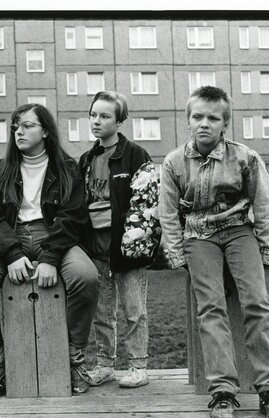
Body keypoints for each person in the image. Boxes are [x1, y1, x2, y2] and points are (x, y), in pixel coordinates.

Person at [158, 86, 269, 418]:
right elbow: (167, 212)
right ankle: (223, 392)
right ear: (187, 120)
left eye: (213, 118)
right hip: (198, 236)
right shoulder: (174, 162)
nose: (205, 124)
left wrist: (264, 245)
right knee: (211, 307)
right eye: (198, 117)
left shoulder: (244, 157)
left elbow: (263, 202)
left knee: (257, 302)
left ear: (225, 123)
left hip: (238, 231)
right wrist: (176, 251)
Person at [0, 103, 99, 396]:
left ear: (45, 131)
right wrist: (11, 254)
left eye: (27, 125)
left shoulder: (66, 167)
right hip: (11, 238)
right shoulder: (2, 169)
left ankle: (73, 360)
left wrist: (50, 257)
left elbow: (72, 216)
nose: (18, 131)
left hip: (55, 236)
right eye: (15, 126)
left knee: (86, 277)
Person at [78, 91, 161, 389]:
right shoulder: (86, 159)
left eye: (104, 116)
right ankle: (105, 365)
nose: (96, 121)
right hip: (95, 248)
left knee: (133, 310)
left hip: (127, 247)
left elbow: (146, 202)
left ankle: (139, 366)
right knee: (102, 311)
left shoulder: (136, 155)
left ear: (119, 120)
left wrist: (133, 243)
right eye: (93, 115)